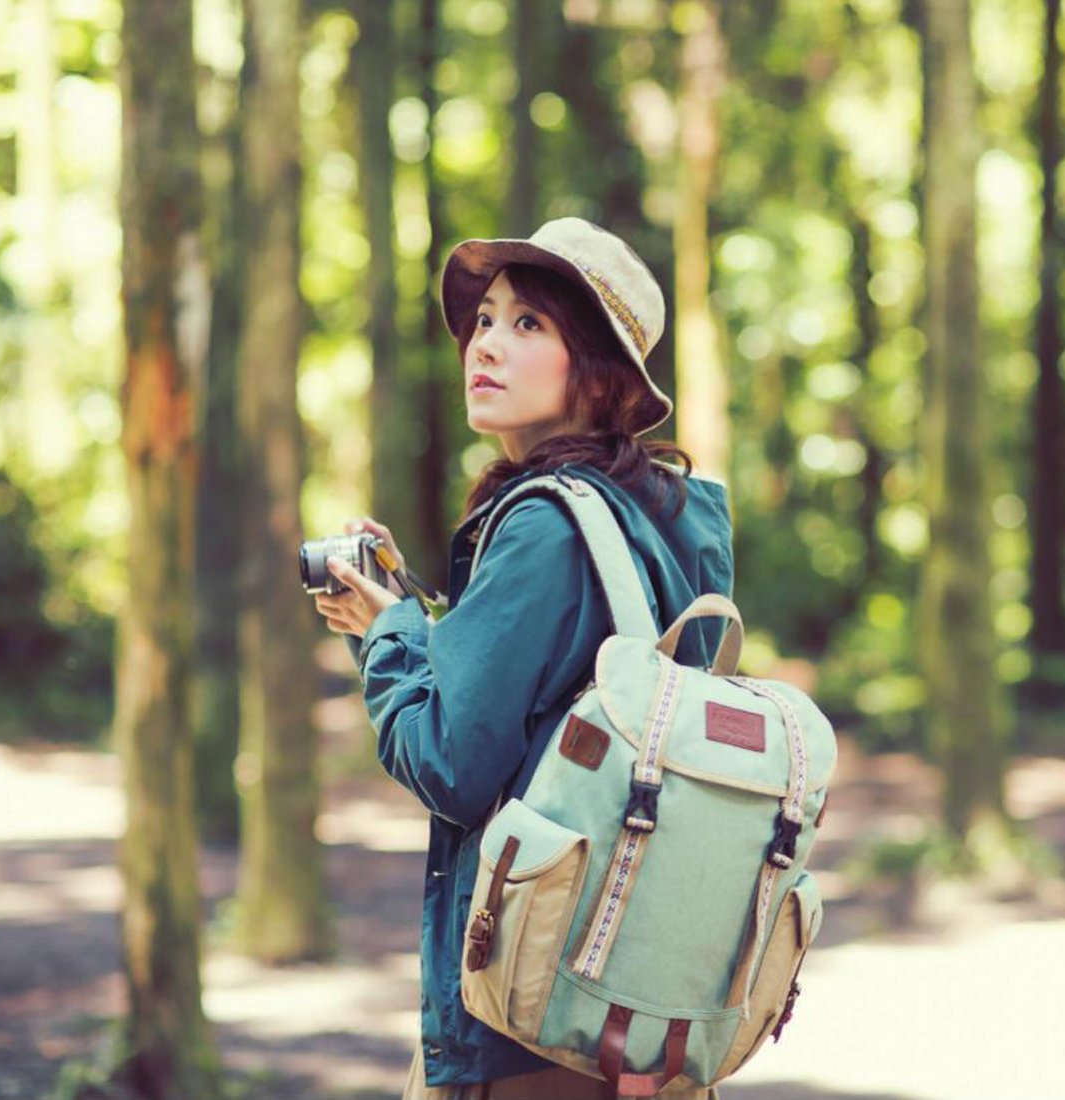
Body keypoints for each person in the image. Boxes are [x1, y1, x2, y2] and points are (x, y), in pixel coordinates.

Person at [314, 218, 732, 1100]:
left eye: (528, 325)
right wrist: (414, 615)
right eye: (486, 320)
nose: (486, 344)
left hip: (539, 1021)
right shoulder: (659, 516)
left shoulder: (545, 523)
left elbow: (454, 764)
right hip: (642, 1005)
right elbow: (553, 701)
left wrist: (384, 637)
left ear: (597, 366)